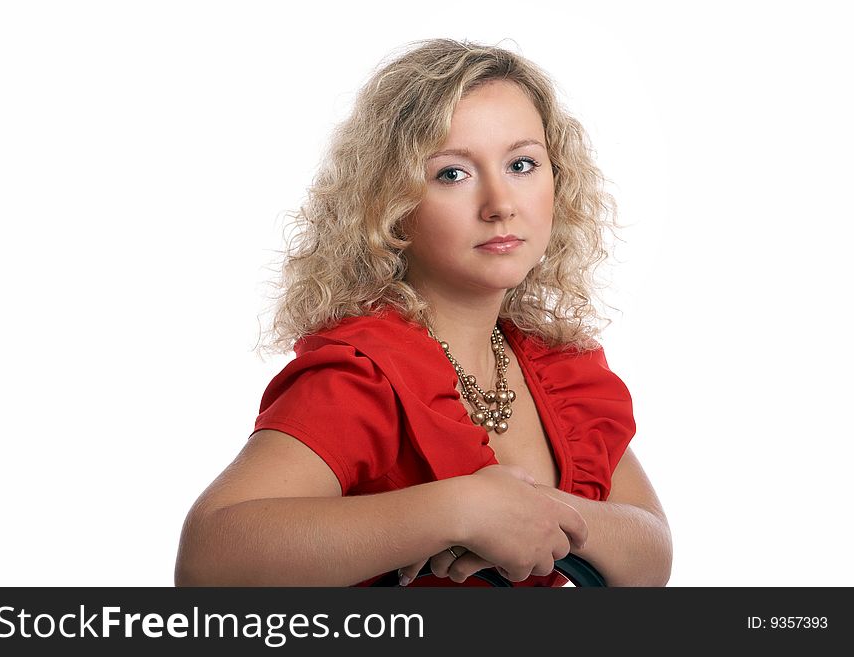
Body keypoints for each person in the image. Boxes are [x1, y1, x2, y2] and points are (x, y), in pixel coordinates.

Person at [174, 38, 672, 587]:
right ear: (392, 206)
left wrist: (533, 512)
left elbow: (650, 559)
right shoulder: (367, 373)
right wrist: (455, 510)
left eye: (523, 164)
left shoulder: (556, 367)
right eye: (453, 174)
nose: (500, 204)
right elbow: (209, 558)